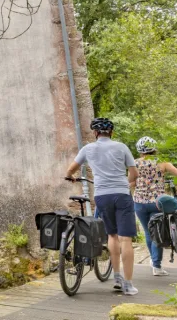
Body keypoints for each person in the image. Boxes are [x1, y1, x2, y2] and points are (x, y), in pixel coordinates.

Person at [66, 118, 139, 295]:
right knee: (125, 239)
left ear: (95, 133)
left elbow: (70, 170)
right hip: (121, 195)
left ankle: (117, 277)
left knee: (112, 235)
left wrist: (71, 176)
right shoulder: (121, 147)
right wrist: (126, 183)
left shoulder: (88, 149)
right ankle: (128, 285)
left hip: (102, 196)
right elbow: (134, 173)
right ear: (111, 132)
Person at [131, 136, 177, 276]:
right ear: (155, 148)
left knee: (148, 232)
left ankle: (154, 260)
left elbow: (131, 183)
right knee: (158, 231)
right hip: (158, 203)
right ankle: (156, 266)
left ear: (139, 150)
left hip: (139, 203)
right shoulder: (162, 163)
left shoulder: (134, 163)